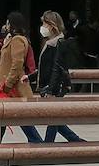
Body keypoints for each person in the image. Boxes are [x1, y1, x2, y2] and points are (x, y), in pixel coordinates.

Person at [32, 10, 84, 143]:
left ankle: (48, 145)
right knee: (54, 118)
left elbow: (57, 68)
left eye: (45, 24)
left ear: (52, 26)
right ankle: (75, 141)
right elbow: (46, 66)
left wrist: (51, 90)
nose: (42, 27)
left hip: (53, 87)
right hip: (49, 86)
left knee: (52, 118)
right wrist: (30, 76)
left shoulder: (59, 43)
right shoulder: (50, 43)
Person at [0, 15, 35, 100]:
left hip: (15, 87)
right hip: (11, 86)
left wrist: (8, 83)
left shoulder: (17, 40)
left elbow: (17, 63)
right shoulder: (12, 39)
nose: (6, 26)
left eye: (8, 24)